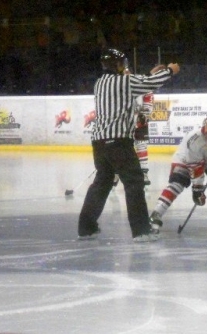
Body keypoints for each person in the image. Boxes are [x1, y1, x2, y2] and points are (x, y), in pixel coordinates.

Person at [78, 48, 180, 242]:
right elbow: (150, 84)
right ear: (117, 64)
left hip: (99, 143)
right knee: (134, 183)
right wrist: (169, 70)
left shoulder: (100, 83)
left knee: (101, 183)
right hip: (118, 142)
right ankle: (141, 231)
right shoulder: (124, 81)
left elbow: (137, 84)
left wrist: (150, 74)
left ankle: (86, 227)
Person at [113, 91, 154, 187]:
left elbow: (148, 105)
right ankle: (116, 173)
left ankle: (144, 173)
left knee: (141, 146)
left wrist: (142, 117)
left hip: (140, 123)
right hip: (123, 122)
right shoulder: (122, 85)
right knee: (120, 147)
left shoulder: (145, 85)